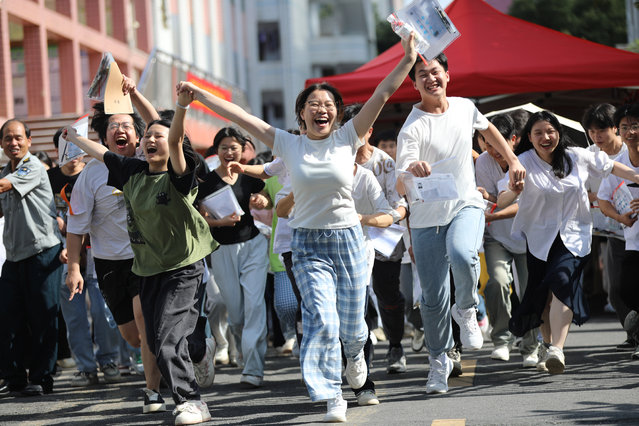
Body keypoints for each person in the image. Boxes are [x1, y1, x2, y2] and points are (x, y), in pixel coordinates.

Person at [174, 32, 416, 423]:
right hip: (307, 243)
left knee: (354, 328)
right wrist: (199, 95)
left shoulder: (347, 138)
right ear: (301, 113)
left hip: (349, 241)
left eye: (327, 105)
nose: (321, 109)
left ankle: (356, 356)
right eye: (312, 104)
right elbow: (240, 117)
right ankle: (332, 393)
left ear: (337, 113)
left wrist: (407, 59)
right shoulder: (288, 143)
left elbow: (384, 93)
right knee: (322, 318)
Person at [65, 95, 218, 424]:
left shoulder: (180, 172)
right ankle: (196, 354)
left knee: (162, 336)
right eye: (146, 135)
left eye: (155, 136)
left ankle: (189, 400)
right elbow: (102, 155)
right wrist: (74, 138)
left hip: (182, 267)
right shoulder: (131, 170)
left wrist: (180, 106)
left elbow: (172, 135)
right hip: (146, 268)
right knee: (147, 338)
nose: (149, 139)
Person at [395, 52, 526, 395]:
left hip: (465, 203)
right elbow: (398, 183)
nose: (430, 78)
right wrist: (412, 169)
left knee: (463, 251)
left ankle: (467, 308)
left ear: (447, 75)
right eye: (421, 74)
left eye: (435, 71)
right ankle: (439, 363)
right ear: (414, 83)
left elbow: (489, 129)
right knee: (433, 299)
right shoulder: (412, 126)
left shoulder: (465, 107)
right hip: (425, 220)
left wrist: (512, 159)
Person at [499, 110, 639, 374]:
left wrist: (636, 177)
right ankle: (546, 342)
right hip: (539, 238)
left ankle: (557, 350)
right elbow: (504, 197)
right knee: (542, 296)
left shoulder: (575, 155)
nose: (546, 137)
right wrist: (513, 192)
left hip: (573, 235)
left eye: (550, 131)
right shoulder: (524, 161)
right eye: (538, 132)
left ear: (558, 133)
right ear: (529, 136)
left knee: (562, 281)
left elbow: (609, 166)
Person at [197, 127, 271, 388]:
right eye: (225, 147)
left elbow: (268, 196)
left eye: (235, 147)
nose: (230, 152)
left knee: (254, 307)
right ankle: (241, 345)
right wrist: (218, 222)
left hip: (253, 246)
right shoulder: (204, 181)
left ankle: (253, 368)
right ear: (216, 151)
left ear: (243, 150)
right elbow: (199, 219)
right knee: (237, 314)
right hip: (221, 251)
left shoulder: (250, 175)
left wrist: (262, 200)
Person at [48, 128, 123, 386]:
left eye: (77, 145)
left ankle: (109, 360)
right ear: (58, 149)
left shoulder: (95, 173)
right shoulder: (50, 179)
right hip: (64, 258)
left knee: (104, 312)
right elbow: (44, 218)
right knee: (75, 316)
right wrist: (62, 247)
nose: (74, 153)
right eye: (66, 145)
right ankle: (85, 367)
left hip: (97, 255)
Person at [0, 119, 64, 396]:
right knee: (8, 318)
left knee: (42, 317)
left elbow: (4, 186)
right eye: (7, 139)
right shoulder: (4, 171)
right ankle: (14, 378)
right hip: (14, 257)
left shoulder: (33, 167)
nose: (13, 143)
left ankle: (41, 378)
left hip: (42, 252)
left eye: (18, 138)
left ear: (28, 139)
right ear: (1, 144)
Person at [343, 104, 408, 376]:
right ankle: (358, 357)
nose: (353, 137)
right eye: (347, 131)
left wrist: (382, 218)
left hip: (384, 236)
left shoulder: (384, 163)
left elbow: (399, 205)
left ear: (369, 131)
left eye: (359, 130)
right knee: (356, 299)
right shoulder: (333, 160)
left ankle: (395, 344)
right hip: (345, 238)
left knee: (386, 293)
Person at [475, 114, 539, 368]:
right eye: (487, 143)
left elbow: (521, 204)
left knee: (529, 290)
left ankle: (531, 346)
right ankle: (501, 339)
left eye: (497, 143)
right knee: (497, 282)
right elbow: (490, 197)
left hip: (528, 236)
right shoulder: (482, 162)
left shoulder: (527, 161)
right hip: (496, 237)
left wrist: (493, 208)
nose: (492, 150)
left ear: (514, 140)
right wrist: (490, 199)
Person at [581, 104, 632, 350]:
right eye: (591, 131)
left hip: (632, 226)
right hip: (609, 228)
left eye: (601, 130)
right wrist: (599, 197)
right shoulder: (588, 154)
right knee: (616, 288)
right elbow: (578, 188)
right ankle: (632, 334)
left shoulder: (629, 152)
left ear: (615, 128)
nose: (596, 136)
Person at [597, 103, 639, 360]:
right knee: (626, 289)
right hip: (633, 239)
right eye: (625, 127)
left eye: (635, 125)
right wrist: (620, 217)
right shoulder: (618, 164)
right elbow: (603, 200)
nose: (630, 132)